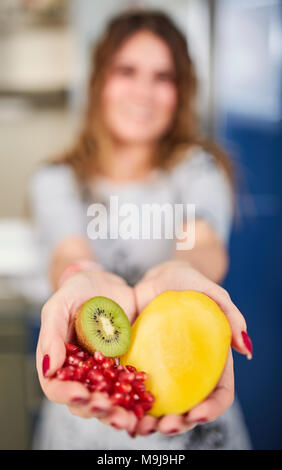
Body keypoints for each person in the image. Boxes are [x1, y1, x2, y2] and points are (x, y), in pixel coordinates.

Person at [30, 10, 252, 450]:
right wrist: (83, 278)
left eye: (163, 76)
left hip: (191, 409)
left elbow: (200, 240)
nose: (144, 92)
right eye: (127, 71)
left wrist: (180, 274)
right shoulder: (57, 179)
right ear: (98, 81)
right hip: (89, 414)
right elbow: (67, 251)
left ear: (181, 91)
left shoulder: (198, 170)